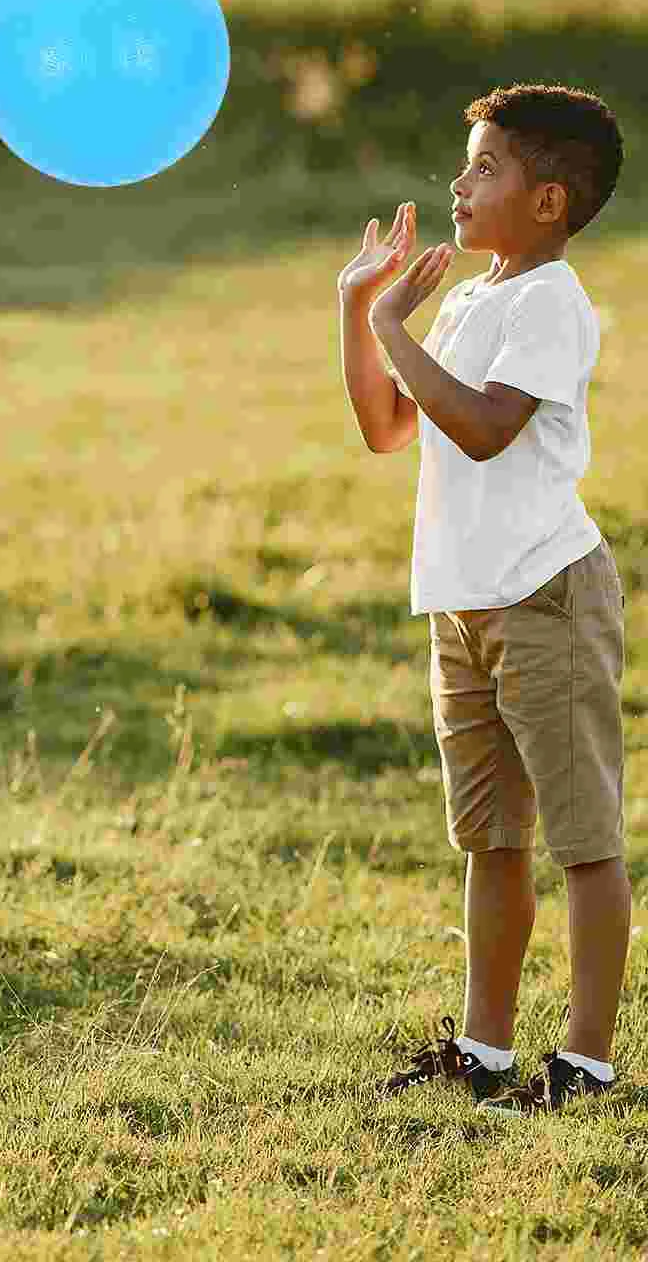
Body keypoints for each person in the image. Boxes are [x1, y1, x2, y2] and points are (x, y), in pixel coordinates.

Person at [337, 83, 628, 1116]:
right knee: (488, 839)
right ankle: (485, 1050)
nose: (459, 182)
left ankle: (585, 1064)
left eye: (485, 166)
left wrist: (391, 330)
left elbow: (479, 425)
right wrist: (358, 312)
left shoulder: (550, 300)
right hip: (461, 601)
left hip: (543, 594)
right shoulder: (468, 299)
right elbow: (387, 429)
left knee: (582, 838)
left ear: (548, 200)